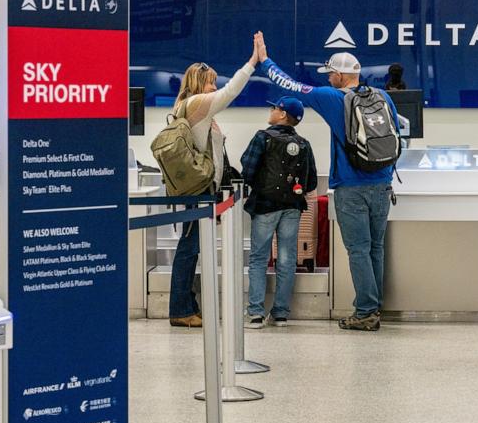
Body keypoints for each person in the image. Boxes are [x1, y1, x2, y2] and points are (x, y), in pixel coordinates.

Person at [254, 32, 398, 331]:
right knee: (375, 248)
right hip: (383, 184)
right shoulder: (383, 97)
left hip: (351, 187)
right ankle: (374, 307)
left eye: (331, 73)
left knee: (358, 249)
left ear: (341, 75)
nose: (328, 78)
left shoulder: (332, 98)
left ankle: (366, 312)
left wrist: (264, 61)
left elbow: (289, 85)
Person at [168, 41, 259, 328]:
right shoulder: (196, 104)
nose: (214, 88)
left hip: (202, 191)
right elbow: (230, 91)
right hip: (197, 192)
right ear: (200, 83)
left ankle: (186, 306)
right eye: (211, 82)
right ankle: (180, 309)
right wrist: (253, 62)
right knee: (188, 248)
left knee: (191, 247)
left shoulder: (191, 108)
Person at [240, 96, 317, 328]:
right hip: (292, 206)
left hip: (265, 205)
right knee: (286, 259)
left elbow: (248, 169)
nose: (271, 110)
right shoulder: (304, 144)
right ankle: (281, 314)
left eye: (274, 107)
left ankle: (255, 313)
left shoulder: (262, 137)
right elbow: (311, 181)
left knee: (258, 258)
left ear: (282, 114)